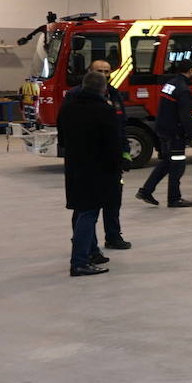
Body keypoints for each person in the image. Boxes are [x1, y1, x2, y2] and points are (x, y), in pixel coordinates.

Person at [63, 58, 131, 259]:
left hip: (108, 161)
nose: (104, 73)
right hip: (94, 163)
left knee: (112, 201)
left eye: (107, 70)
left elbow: (121, 127)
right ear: (89, 72)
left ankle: (112, 236)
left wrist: (125, 153)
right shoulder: (75, 97)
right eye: (99, 70)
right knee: (86, 209)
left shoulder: (115, 95)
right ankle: (86, 249)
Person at [136, 59, 192, 208]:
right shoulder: (183, 89)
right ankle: (174, 198)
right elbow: (185, 115)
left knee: (167, 163)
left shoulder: (170, 83)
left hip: (163, 129)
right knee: (177, 166)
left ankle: (146, 191)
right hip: (174, 133)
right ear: (190, 71)